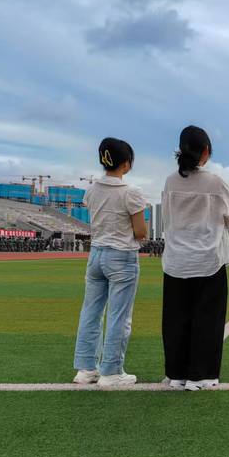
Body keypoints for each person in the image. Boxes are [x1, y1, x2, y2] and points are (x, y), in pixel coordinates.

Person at [161, 126, 229, 391]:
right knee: (208, 319)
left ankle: (176, 373)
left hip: (176, 260)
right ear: (206, 151)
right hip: (208, 260)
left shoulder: (170, 182)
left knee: (176, 320)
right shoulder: (215, 183)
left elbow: (167, 218)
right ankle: (202, 374)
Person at [73, 138, 148, 386]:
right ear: (126, 164)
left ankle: (86, 369)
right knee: (119, 316)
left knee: (90, 312)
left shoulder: (92, 190)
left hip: (96, 254)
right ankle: (111, 371)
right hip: (122, 256)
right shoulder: (131, 192)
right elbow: (140, 232)